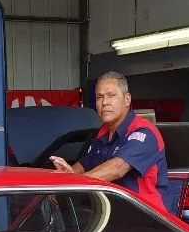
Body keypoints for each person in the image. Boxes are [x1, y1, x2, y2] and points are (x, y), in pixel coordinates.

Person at [50, 71, 171, 212]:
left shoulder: (144, 132)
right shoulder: (102, 134)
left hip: (151, 219)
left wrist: (72, 183)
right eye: (99, 97)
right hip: (115, 217)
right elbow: (82, 165)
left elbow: (117, 168)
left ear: (127, 99)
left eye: (111, 96)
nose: (105, 102)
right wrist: (61, 180)